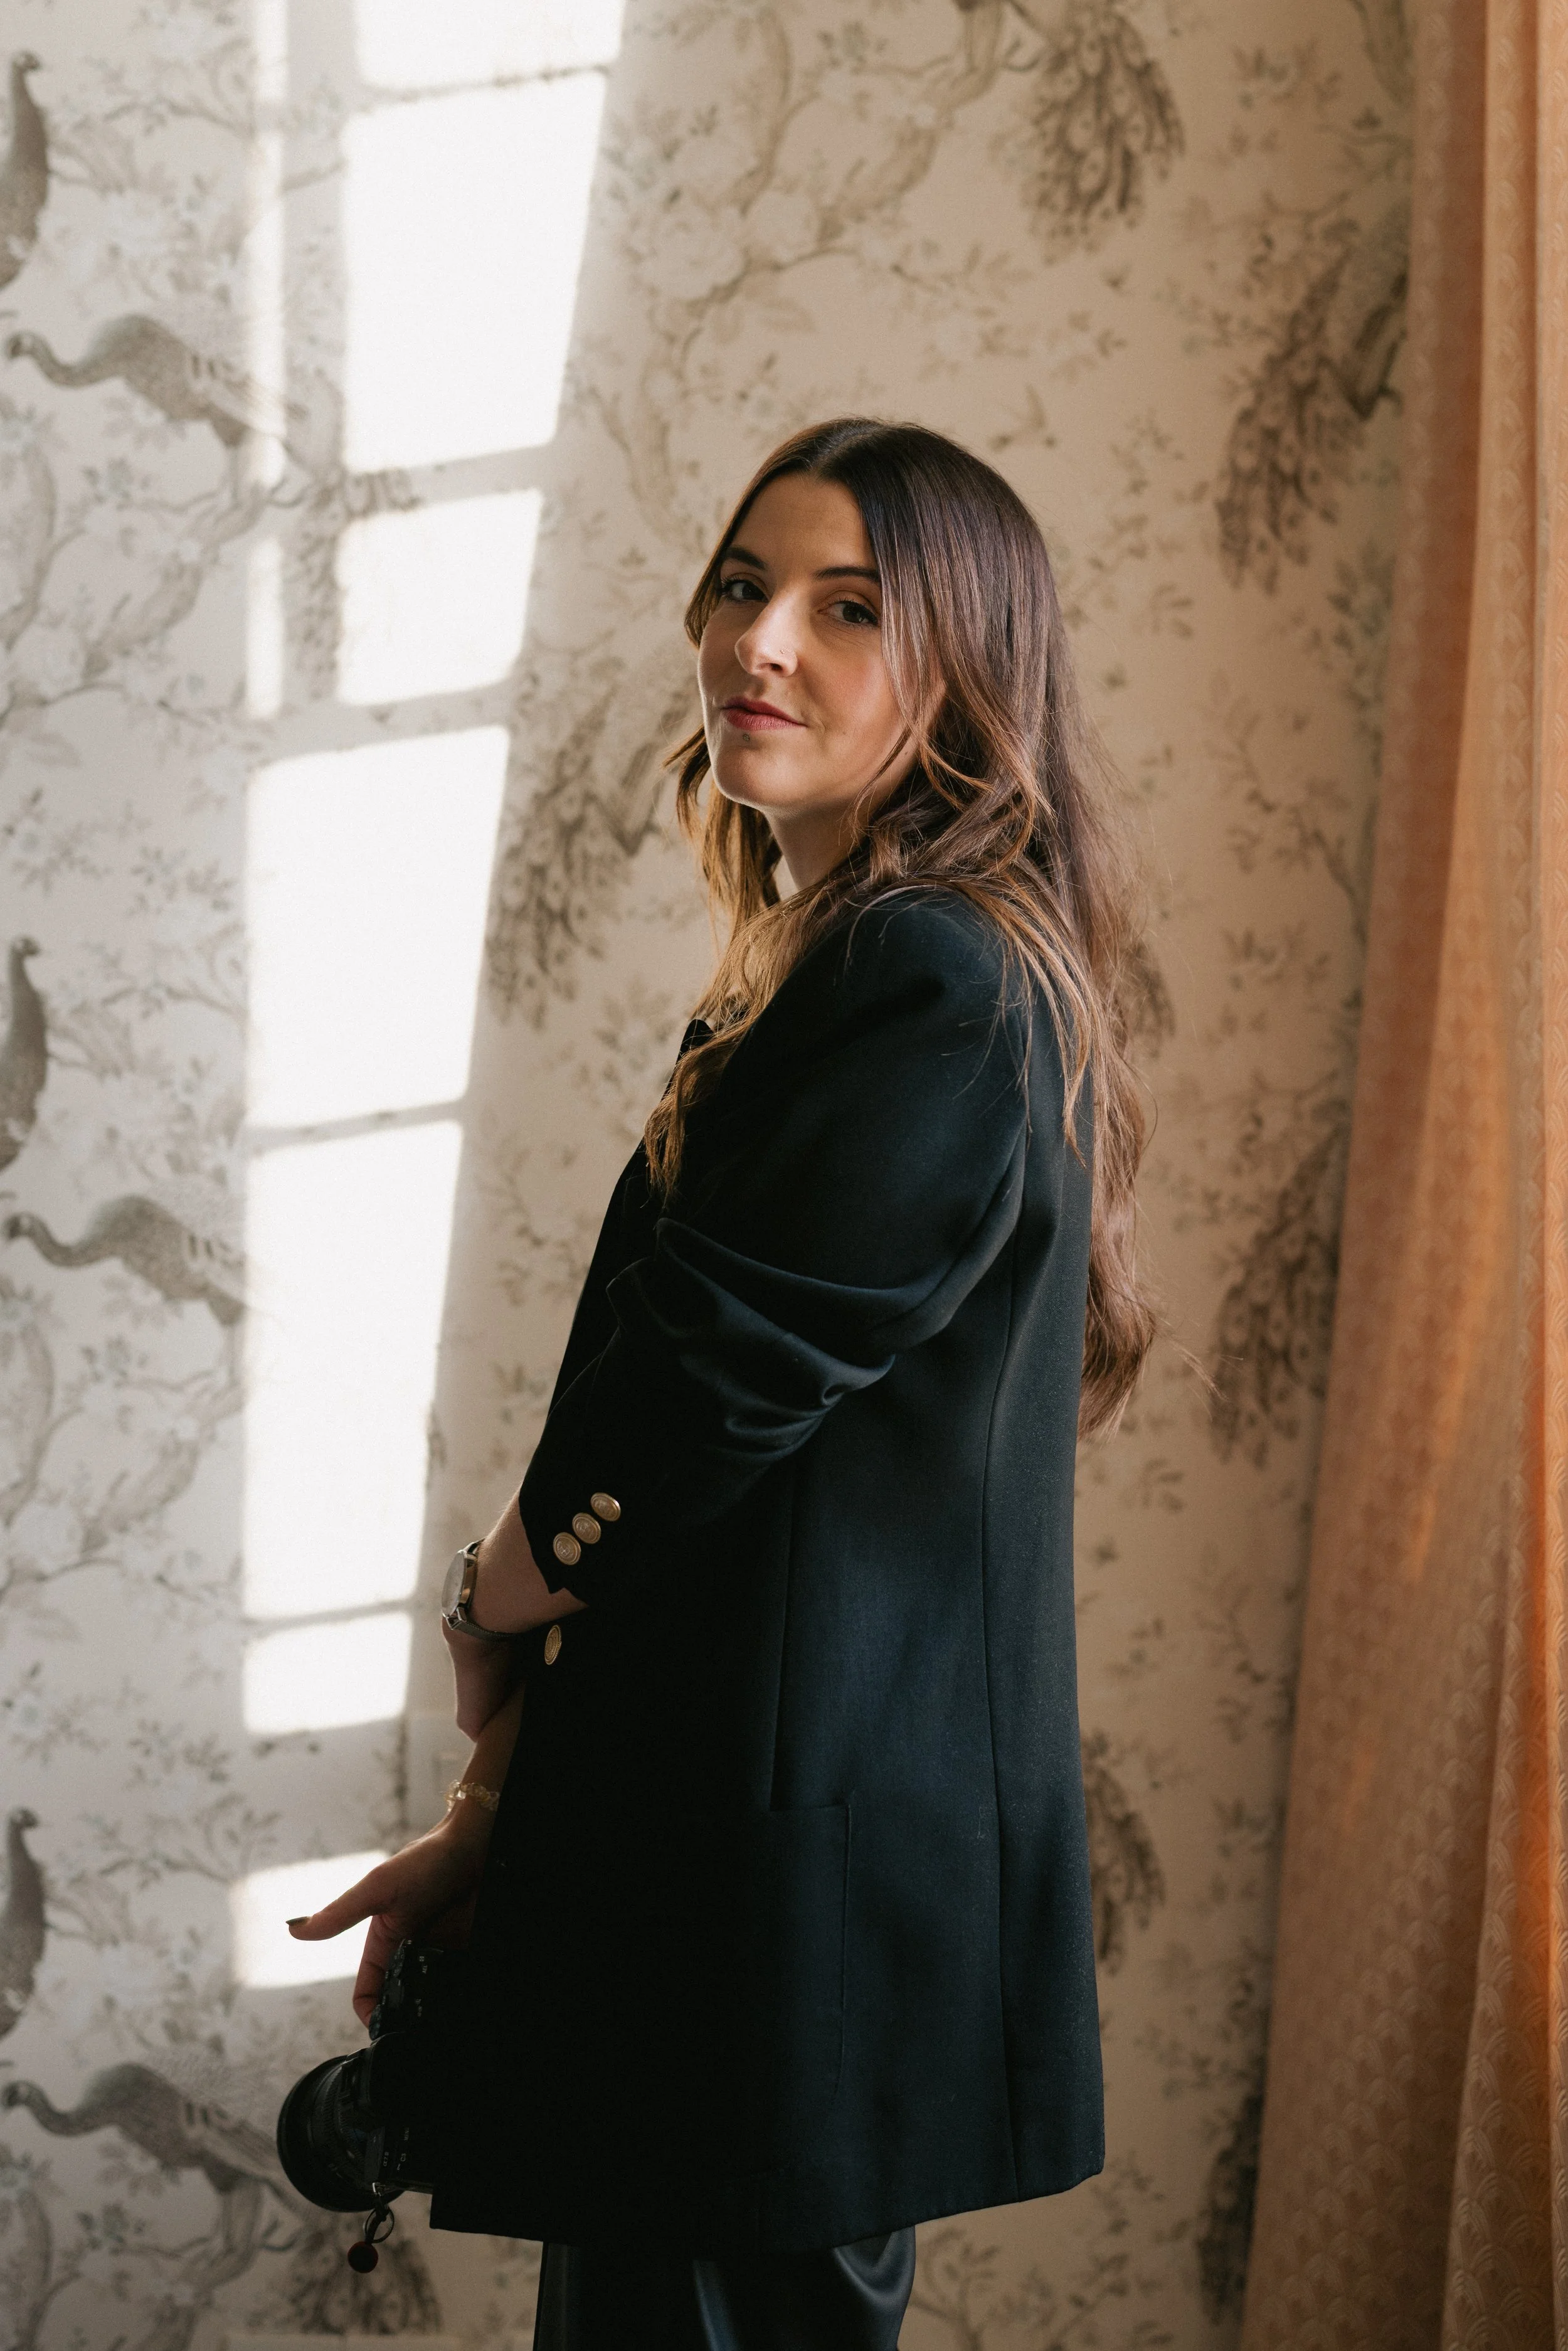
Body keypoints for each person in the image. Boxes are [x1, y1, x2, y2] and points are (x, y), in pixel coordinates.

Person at [289, 417, 1155, 2350]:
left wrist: (489, 1599)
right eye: (743, 587)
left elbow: (702, 1387)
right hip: (730, 1907)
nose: (760, 641)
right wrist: (506, 1797)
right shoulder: (834, 963)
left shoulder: (929, 975)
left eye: (847, 608)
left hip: (778, 1938)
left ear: (965, 672)